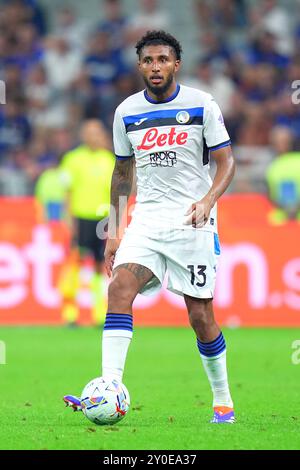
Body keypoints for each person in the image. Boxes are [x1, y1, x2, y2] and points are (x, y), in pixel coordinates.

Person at [64, 31, 236, 424]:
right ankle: (109, 386)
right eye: (148, 61)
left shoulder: (201, 105)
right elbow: (123, 170)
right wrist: (117, 227)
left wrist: (208, 200)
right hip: (147, 219)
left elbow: (226, 162)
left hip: (193, 220)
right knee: (120, 287)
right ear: (140, 65)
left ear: (176, 64)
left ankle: (223, 400)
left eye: (163, 60)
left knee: (200, 316)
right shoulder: (126, 111)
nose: (155, 67)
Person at [59, 119, 115, 326]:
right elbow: (67, 192)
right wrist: (68, 218)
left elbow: (116, 194)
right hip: (80, 218)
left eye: (97, 132)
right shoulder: (72, 159)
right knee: (74, 263)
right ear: (84, 135)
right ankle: (70, 313)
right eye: (90, 132)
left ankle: (99, 313)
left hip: (102, 220)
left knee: (100, 266)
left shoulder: (109, 159)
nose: (94, 136)